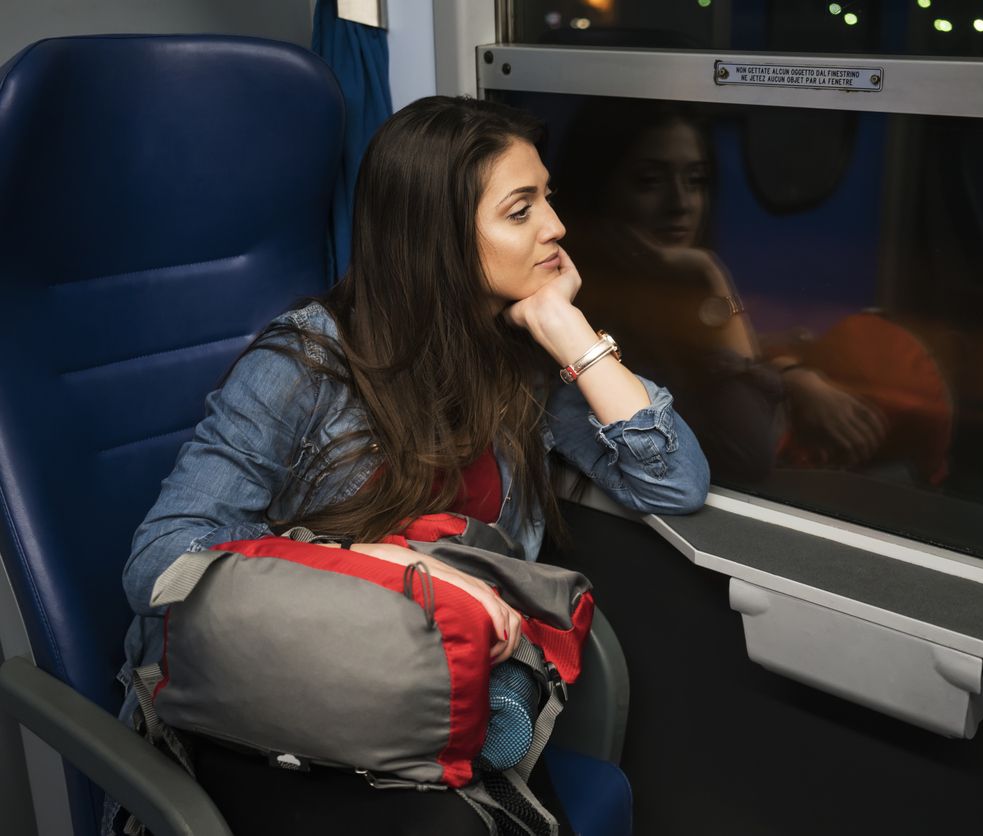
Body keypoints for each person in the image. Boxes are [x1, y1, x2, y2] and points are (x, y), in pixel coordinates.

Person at [104, 95, 710, 836]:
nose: (556, 226)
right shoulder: (305, 362)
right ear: (440, 235)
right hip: (286, 697)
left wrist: (570, 331)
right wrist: (392, 575)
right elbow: (158, 563)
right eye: (521, 210)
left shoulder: (520, 364)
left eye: (547, 198)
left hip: (436, 695)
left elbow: (672, 481)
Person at [557, 99, 952, 485]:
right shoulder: (583, 318)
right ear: (598, 189)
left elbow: (723, 360)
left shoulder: (661, 294)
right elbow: (745, 453)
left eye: (695, 180)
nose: (681, 204)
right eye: (649, 182)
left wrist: (793, 375)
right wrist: (714, 277)